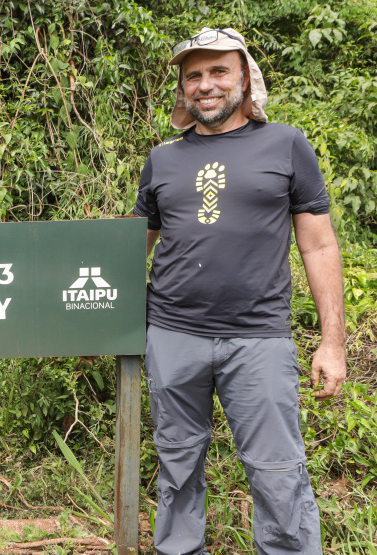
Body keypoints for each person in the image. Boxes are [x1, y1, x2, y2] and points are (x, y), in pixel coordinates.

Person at [134, 28, 346, 554]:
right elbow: (132, 244)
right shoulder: (162, 159)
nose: (205, 85)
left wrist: (332, 341)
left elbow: (318, 246)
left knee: (278, 471)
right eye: (194, 76)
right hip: (173, 335)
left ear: (245, 76)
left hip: (258, 339)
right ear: (183, 89)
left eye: (218, 71)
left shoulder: (286, 144)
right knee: (177, 465)